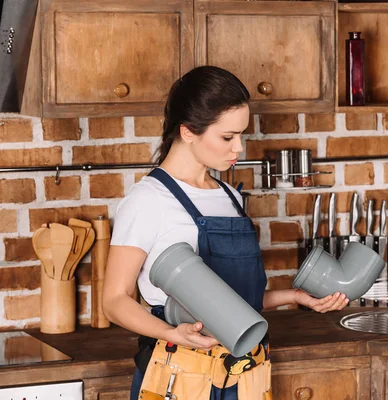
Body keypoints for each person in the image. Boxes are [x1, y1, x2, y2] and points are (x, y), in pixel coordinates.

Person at [102, 65, 348, 400]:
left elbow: (229, 300)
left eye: (242, 135)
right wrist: (173, 333)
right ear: (188, 131)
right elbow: (114, 301)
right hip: (181, 376)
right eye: (228, 137)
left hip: (245, 377)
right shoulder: (148, 201)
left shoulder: (229, 197)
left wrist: (294, 297)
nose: (239, 149)